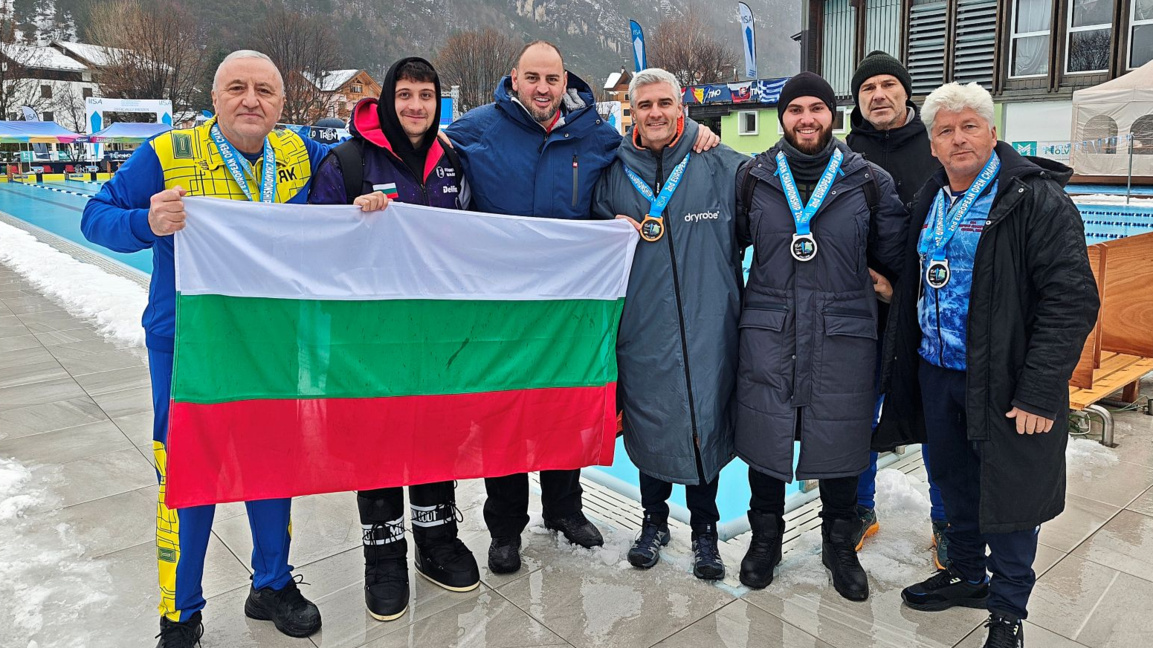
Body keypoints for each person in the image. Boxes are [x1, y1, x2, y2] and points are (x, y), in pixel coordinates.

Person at [81, 50, 385, 647]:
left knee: (273, 460)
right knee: (191, 471)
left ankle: (270, 583)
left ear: (280, 103)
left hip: (272, 339)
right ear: (214, 98)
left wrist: (366, 201)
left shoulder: (299, 152)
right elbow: (95, 216)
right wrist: (145, 222)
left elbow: (358, 164)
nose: (252, 100)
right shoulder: (169, 154)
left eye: (265, 91)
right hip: (189, 341)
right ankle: (182, 608)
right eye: (237, 88)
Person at [443, 40, 719, 574]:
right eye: (533, 78)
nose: (543, 89)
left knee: (562, 406)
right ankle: (505, 529)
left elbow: (646, 152)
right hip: (503, 304)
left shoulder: (595, 134)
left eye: (552, 78)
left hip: (569, 302)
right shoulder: (476, 129)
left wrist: (696, 134)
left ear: (564, 80)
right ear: (514, 79)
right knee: (506, 415)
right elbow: (425, 162)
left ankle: (565, 509)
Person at [888, 82, 1098, 648]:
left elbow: (1071, 300)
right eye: (945, 131)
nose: (958, 139)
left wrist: (1039, 390)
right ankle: (965, 573)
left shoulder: (1033, 199)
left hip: (1005, 380)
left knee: (1008, 496)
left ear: (992, 132)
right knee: (953, 484)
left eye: (969, 126)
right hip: (938, 372)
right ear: (931, 144)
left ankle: (1008, 612)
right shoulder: (931, 198)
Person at [308, 57, 480, 622]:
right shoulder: (349, 161)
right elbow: (316, 244)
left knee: (434, 433)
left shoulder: (451, 160)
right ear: (387, 100)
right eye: (404, 95)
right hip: (370, 337)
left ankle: (436, 541)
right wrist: (353, 221)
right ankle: (382, 553)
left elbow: (470, 239)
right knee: (376, 442)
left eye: (425, 95)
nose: (415, 106)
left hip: (433, 335)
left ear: (437, 103)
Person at [733, 72, 907, 601]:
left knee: (840, 441)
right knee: (765, 442)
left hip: (843, 335)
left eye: (816, 108)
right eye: (795, 110)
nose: (806, 118)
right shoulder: (753, 178)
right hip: (770, 329)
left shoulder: (867, 180)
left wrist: (889, 289)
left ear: (832, 114)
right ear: (781, 118)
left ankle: (838, 545)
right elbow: (729, 245)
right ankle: (765, 541)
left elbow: (899, 255)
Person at [590, 68, 746, 580]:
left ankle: (705, 532)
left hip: (708, 326)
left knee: (704, 424)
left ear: (682, 107)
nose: (655, 113)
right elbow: (582, 241)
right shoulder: (610, 173)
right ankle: (652, 522)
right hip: (643, 328)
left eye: (664, 103)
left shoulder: (720, 165)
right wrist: (603, 229)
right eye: (645, 105)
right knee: (651, 422)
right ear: (631, 111)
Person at [845, 50, 948, 567]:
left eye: (888, 85)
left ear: (907, 92)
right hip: (865, 313)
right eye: (868, 88)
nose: (879, 95)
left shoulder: (935, 148)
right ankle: (860, 507)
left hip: (929, 312)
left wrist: (903, 289)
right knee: (857, 417)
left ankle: (947, 519)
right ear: (857, 100)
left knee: (933, 420)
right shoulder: (844, 154)